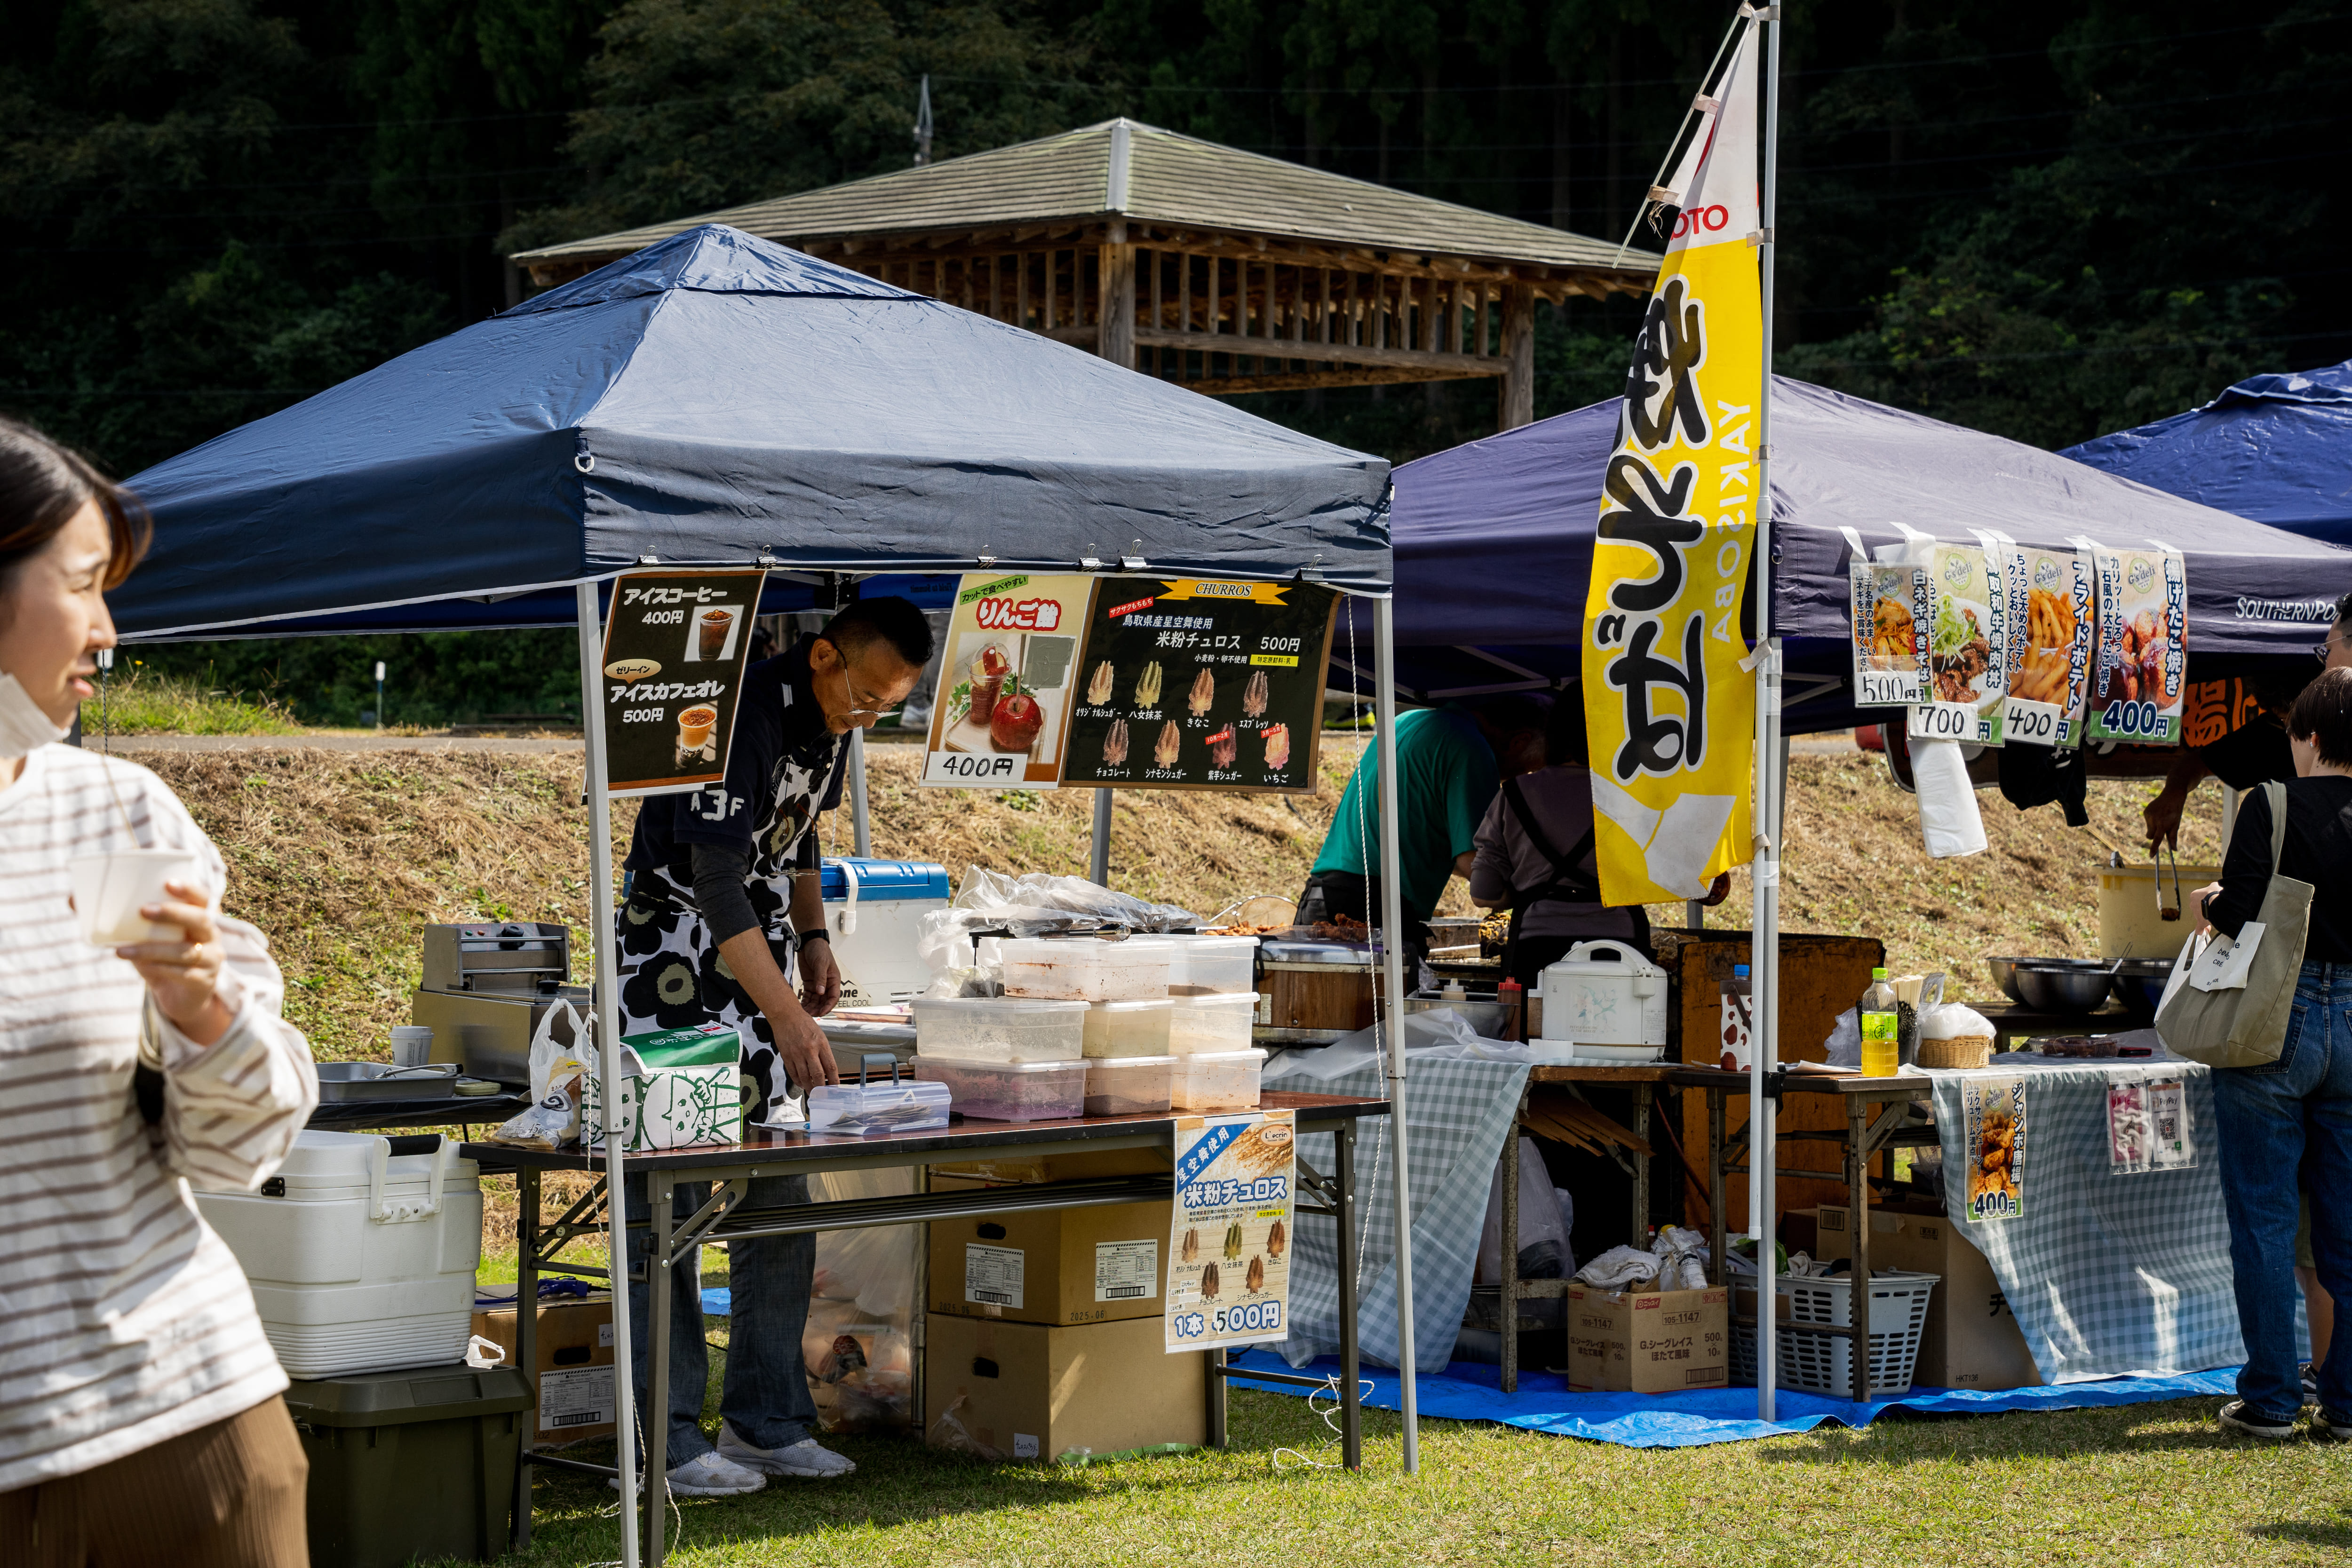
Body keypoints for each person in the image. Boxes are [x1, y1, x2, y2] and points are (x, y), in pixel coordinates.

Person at [0, 419, 319, 1564]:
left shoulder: (116, 816)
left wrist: (203, 1012)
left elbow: (244, 1151)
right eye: (84, 586)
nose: (108, 634)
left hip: (178, 1431)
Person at [611, 597, 932, 1496]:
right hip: (674, 954)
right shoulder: (740, 710)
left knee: (778, 1185)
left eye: (886, 707)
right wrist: (788, 1012)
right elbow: (715, 877)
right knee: (665, 1198)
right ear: (825, 657)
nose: (867, 718)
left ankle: (765, 1417)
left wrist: (818, 933)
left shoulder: (832, 718)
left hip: (761, 953)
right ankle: (664, 1441)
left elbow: (801, 837)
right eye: (864, 697)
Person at [2192, 665, 2352, 1440]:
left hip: (2275, 1020)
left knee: (2263, 1214)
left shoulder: (2273, 802)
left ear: (2309, 736)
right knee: (2347, 1224)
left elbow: (2241, 913)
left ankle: (2272, 1396)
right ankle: (2347, 1403)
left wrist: (2210, 904)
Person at [1469, 694, 1730, 987]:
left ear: (1552, 735)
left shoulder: (1513, 795)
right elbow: (1689, 875)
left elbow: (1484, 893)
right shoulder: (1638, 794)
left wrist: (1534, 891)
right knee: (1618, 1031)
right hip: (1620, 945)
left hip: (1537, 944)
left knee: (1538, 1030)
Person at [1297, 696, 1547, 967]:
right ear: (1519, 742)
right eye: (1532, 767)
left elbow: (1423, 837)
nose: (1525, 775)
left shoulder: (1405, 721)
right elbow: (1476, 865)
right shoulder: (1471, 748)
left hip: (1322, 895)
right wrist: (1534, 895)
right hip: (1369, 912)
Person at [2144, 587, 2352, 851]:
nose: (2292, 733)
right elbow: (2197, 763)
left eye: (2296, 720)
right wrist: (2174, 790)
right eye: (2283, 721)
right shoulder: (2267, 742)